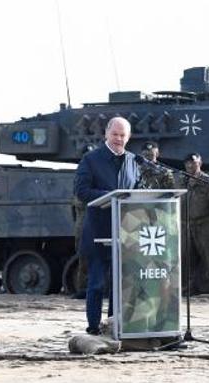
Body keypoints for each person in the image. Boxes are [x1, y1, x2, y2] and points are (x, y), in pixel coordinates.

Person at [74, 117, 141, 335]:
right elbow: (82, 191)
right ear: (106, 134)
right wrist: (110, 196)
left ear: (128, 137)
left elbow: (136, 190)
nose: (119, 139)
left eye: (123, 135)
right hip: (98, 231)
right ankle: (93, 327)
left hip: (125, 232)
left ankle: (114, 325)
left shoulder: (134, 161)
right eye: (115, 134)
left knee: (119, 286)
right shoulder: (91, 160)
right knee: (97, 284)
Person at [180, 153, 209, 294]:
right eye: (188, 163)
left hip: (204, 224)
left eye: (194, 162)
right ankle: (188, 288)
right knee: (186, 258)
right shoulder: (181, 181)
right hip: (185, 225)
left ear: (200, 163)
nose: (191, 165)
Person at [71, 195, 87, 299]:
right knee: (83, 262)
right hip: (83, 230)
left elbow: (73, 214)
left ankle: (82, 289)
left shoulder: (76, 197)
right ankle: (82, 289)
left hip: (80, 229)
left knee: (83, 262)